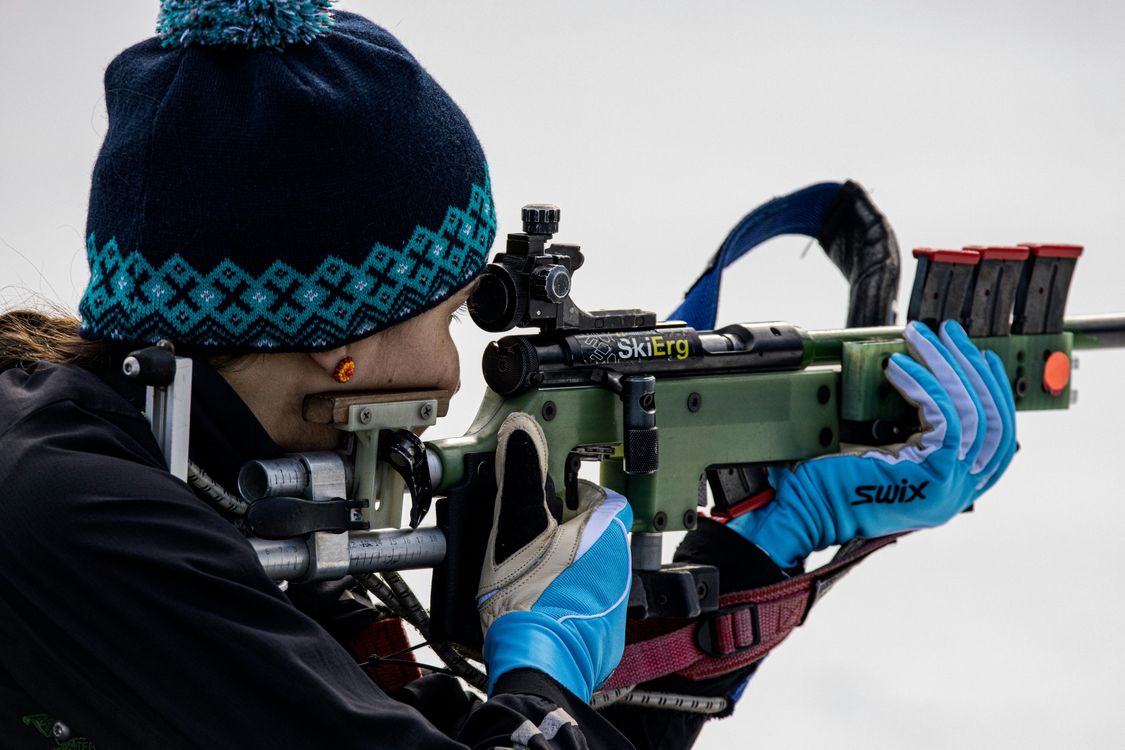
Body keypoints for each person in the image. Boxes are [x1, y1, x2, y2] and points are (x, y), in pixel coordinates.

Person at [0, 2, 1016, 748]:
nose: (452, 375)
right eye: (446, 318)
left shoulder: (191, 476)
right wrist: (541, 664)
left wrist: (757, 551)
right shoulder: (74, 519)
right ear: (331, 333)